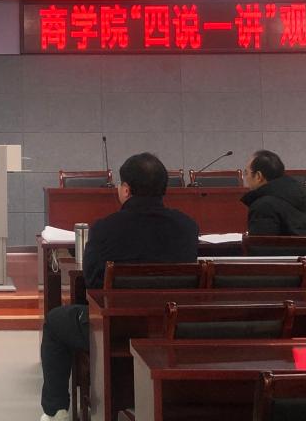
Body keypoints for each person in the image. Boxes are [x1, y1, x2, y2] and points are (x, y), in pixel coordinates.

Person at [39, 152, 199, 421]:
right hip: (170, 327)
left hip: (114, 328)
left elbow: (92, 282)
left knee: (55, 321)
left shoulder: (105, 229)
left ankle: (56, 411)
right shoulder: (187, 227)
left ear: (126, 189)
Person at [241, 149, 306, 236]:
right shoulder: (301, 196)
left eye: (246, 173)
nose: (246, 178)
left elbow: (259, 243)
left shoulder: (263, 206)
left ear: (258, 176)